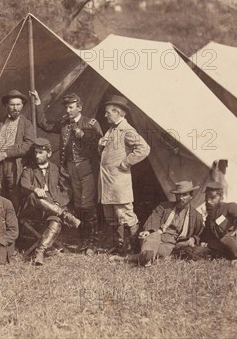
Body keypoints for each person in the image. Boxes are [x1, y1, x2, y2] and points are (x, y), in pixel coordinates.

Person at [29, 90, 103, 253]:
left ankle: (91, 241)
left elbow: (100, 142)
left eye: (70, 107)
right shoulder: (64, 123)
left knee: (88, 203)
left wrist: (83, 135)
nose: (67, 111)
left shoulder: (90, 123)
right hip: (69, 169)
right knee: (77, 203)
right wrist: (38, 104)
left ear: (79, 107)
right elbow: (44, 124)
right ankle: (83, 238)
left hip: (86, 168)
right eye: (66, 108)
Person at [98, 95, 150, 255]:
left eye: (108, 112)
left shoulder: (127, 130)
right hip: (108, 182)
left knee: (125, 215)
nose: (105, 115)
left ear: (117, 112)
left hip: (119, 183)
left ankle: (133, 248)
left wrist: (126, 163)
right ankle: (119, 246)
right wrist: (100, 146)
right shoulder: (112, 129)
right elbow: (108, 153)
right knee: (112, 217)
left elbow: (144, 148)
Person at [19, 138, 82, 265]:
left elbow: (67, 190)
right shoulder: (29, 169)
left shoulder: (55, 169)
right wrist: (35, 188)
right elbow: (23, 184)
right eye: (36, 152)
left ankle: (40, 252)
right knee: (33, 195)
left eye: (40, 153)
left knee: (55, 220)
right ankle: (65, 215)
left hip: (53, 208)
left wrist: (59, 202)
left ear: (49, 153)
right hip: (35, 209)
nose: (37, 156)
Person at [138, 181, 204, 267]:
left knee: (163, 250)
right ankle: (148, 257)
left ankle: (145, 257)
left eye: (184, 195)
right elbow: (154, 219)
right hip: (159, 237)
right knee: (152, 237)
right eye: (178, 195)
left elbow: (199, 234)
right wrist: (149, 231)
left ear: (191, 196)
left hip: (173, 245)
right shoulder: (164, 207)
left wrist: (193, 239)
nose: (181, 198)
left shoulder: (196, 216)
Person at [0, 90, 35, 211]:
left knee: (14, 194)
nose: (15, 108)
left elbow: (29, 145)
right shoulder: (1, 122)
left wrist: (6, 154)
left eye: (18, 105)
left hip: (13, 164)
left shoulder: (26, 124)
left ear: (22, 105)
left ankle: (14, 224)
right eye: (12, 105)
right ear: (6, 106)